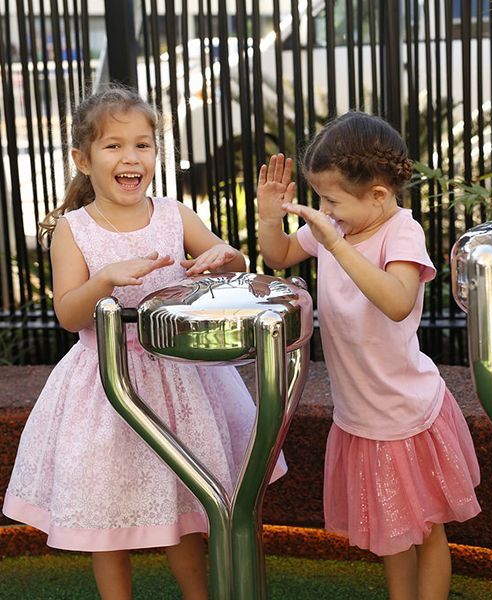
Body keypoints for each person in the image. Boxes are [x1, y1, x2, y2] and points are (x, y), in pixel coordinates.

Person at [3, 85, 286, 600]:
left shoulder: (173, 214)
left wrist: (226, 260)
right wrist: (104, 279)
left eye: (143, 144)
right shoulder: (75, 229)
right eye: (113, 146)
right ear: (82, 159)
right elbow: (69, 314)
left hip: (181, 378)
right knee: (105, 513)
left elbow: (233, 260)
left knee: (185, 501)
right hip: (108, 386)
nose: (131, 157)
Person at [257, 111, 481, 600]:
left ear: (378, 195)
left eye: (332, 199)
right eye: (319, 198)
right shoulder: (338, 226)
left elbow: (398, 301)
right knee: (392, 538)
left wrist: (335, 242)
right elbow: (278, 256)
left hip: (408, 415)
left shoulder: (400, 231)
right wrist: (269, 215)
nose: (323, 209)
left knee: (427, 531)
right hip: (360, 417)